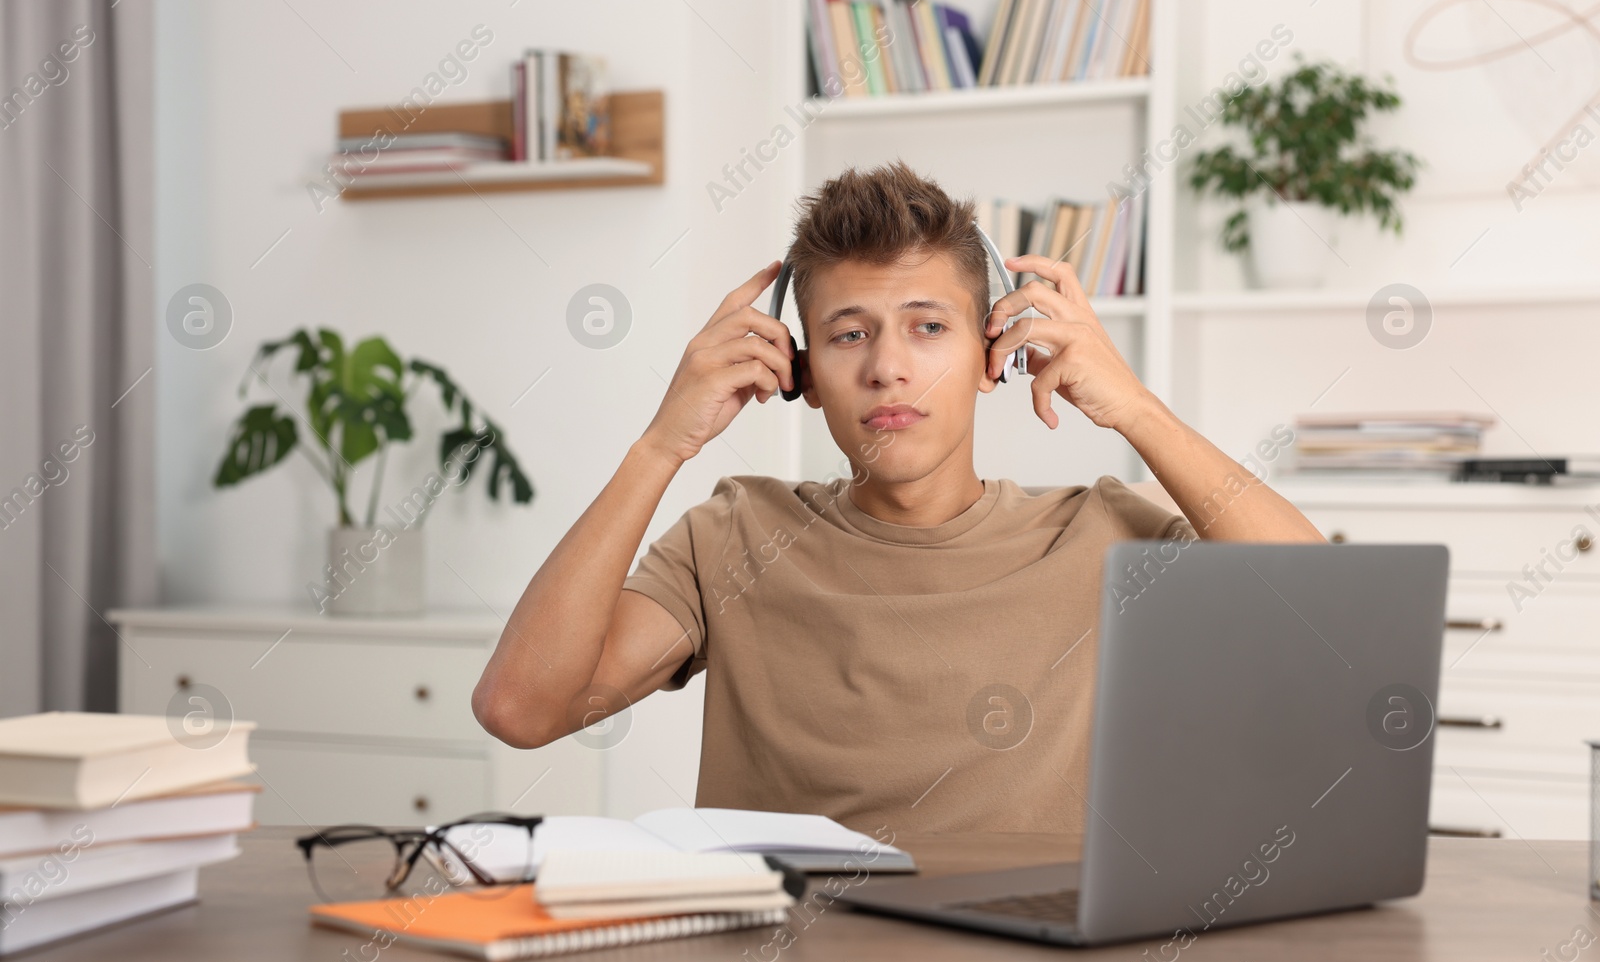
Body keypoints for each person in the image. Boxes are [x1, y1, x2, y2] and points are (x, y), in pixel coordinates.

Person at [473, 160, 1324, 833]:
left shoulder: (1098, 535)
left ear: (995, 352)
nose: (889, 365)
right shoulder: (733, 537)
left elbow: (1321, 613)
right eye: (849, 334)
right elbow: (520, 707)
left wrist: (1136, 408)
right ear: (800, 371)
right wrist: (661, 445)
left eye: (928, 326)